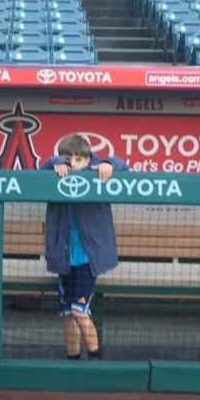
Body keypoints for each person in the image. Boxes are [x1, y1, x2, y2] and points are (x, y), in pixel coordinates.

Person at [40, 134, 128, 360]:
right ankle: (73, 360)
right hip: (64, 258)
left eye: (77, 159)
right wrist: (56, 163)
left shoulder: (97, 173)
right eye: (67, 158)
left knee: (79, 310)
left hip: (88, 260)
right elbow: (42, 167)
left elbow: (122, 164)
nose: (72, 163)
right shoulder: (54, 175)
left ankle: (96, 359)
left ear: (87, 160)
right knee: (68, 313)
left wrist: (109, 164)